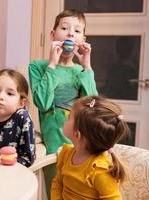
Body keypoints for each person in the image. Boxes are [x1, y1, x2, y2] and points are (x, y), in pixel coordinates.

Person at [29, 9, 98, 198]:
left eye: (77, 31)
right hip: (54, 149)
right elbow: (43, 103)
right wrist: (52, 64)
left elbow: (93, 106)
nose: (70, 33)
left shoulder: (81, 70)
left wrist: (87, 66)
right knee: (55, 193)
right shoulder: (38, 67)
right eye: (64, 28)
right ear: (53, 34)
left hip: (82, 147)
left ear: (83, 39)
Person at [51, 95, 129, 200]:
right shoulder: (66, 153)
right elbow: (57, 183)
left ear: (77, 134)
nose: (66, 117)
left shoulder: (99, 171)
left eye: (69, 116)